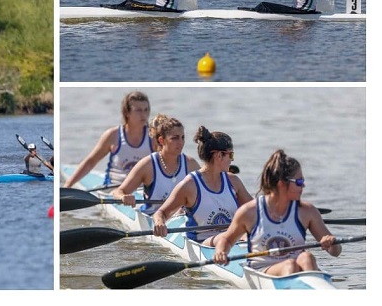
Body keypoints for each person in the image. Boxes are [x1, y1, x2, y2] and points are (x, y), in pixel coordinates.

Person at [213, 149, 341, 275]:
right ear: (281, 184)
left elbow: (336, 252)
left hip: (298, 267)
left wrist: (332, 244)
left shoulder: (307, 211)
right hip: (263, 269)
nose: (303, 186)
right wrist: (220, 252)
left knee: (307, 257)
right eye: (299, 182)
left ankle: (311, 283)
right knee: (290, 265)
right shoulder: (249, 212)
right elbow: (227, 240)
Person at [152, 126, 252, 245]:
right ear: (219, 155)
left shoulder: (233, 181)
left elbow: (256, 210)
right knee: (232, 235)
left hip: (232, 240)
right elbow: (161, 213)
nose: (232, 160)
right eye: (230, 155)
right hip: (204, 242)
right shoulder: (189, 185)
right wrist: (159, 222)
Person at [112, 114, 200, 215]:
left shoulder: (190, 164)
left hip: (181, 216)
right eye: (175, 138)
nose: (181, 142)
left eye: (182, 137)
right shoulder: (147, 165)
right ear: (161, 140)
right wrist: (123, 197)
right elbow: (118, 191)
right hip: (153, 217)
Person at [64, 90, 153, 188]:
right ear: (127, 112)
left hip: (142, 189)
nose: (144, 115)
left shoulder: (153, 137)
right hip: (114, 188)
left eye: (146, 110)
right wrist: (68, 185)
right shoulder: (113, 135)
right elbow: (91, 162)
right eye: (138, 110)